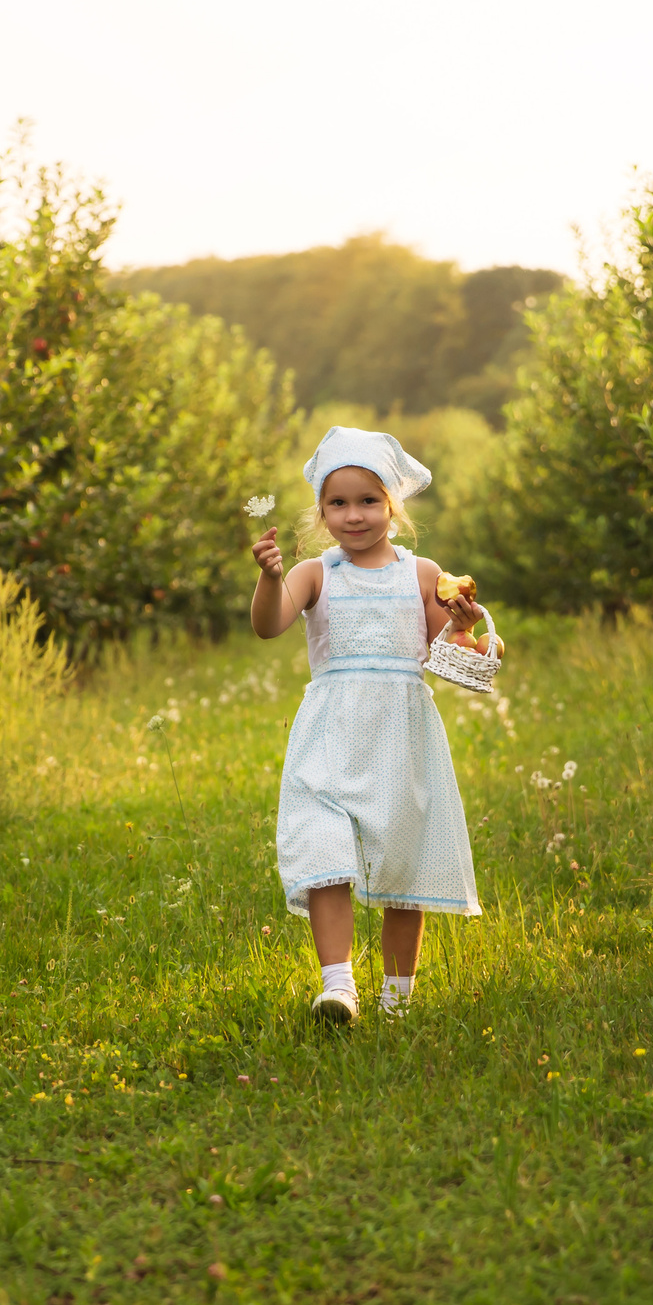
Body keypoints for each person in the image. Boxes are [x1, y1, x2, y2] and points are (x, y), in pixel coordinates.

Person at [249, 426, 483, 1022]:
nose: (354, 515)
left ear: (393, 507)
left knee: (404, 863)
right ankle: (339, 986)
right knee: (323, 848)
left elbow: (453, 658)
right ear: (322, 512)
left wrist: (463, 624)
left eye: (368, 501)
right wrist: (271, 577)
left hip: (401, 738)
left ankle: (397, 1000)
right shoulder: (315, 574)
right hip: (330, 735)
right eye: (338, 503)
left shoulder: (421, 573)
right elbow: (269, 624)